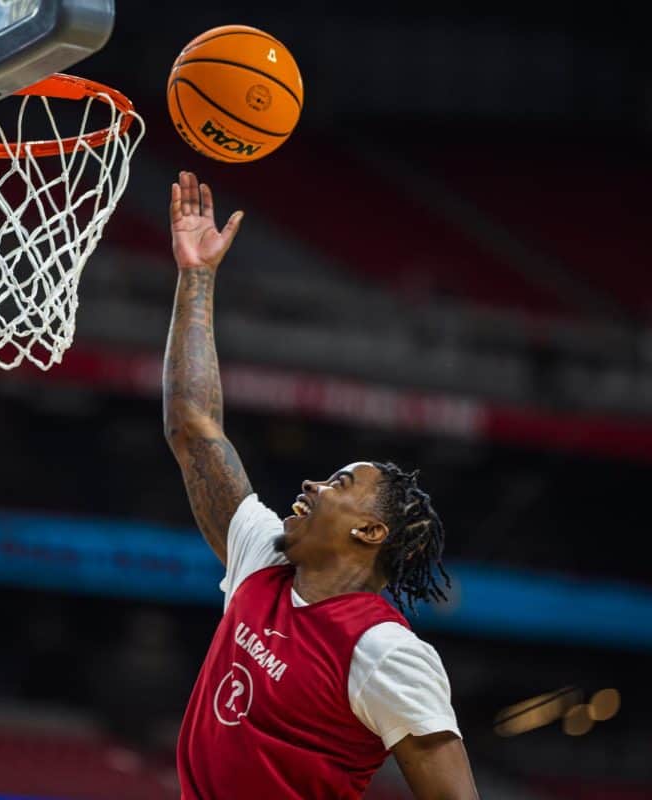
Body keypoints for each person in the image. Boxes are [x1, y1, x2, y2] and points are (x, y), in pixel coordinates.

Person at [164, 171, 479, 799]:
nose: (311, 482)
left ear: (370, 530)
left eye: (339, 481)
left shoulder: (385, 651)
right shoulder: (263, 561)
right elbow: (194, 430)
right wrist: (197, 277)